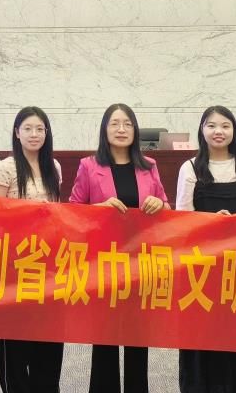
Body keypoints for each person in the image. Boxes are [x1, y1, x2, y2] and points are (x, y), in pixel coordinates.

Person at [175, 105, 236, 393]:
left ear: (234, 131)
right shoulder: (190, 168)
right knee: (208, 333)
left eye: (225, 126)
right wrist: (211, 223)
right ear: (202, 130)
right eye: (211, 125)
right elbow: (181, 220)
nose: (218, 131)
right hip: (204, 266)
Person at [69, 103, 169, 393]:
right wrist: (99, 208)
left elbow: (166, 207)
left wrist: (159, 204)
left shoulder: (149, 165)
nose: (121, 129)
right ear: (105, 129)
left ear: (135, 130)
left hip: (141, 262)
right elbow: (73, 210)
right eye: (114, 123)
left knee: (138, 339)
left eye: (127, 124)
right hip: (104, 262)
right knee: (105, 340)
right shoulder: (89, 166)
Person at [0, 106, 64, 393]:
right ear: (17, 133)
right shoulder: (6, 168)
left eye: (40, 129)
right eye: (28, 129)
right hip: (15, 266)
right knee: (16, 346)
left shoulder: (53, 167)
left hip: (48, 265)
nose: (34, 134)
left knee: (48, 342)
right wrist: (29, 214)